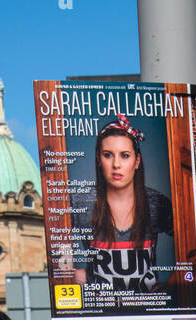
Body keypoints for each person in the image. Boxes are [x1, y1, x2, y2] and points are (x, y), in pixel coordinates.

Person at [67, 116, 174, 302]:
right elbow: (56, 250)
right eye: (108, 155)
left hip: (149, 313)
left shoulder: (155, 203)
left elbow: (193, 246)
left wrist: (172, 284)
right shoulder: (81, 202)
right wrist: (76, 275)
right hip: (100, 314)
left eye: (125, 155)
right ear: (99, 160)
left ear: (137, 161)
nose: (116, 164)